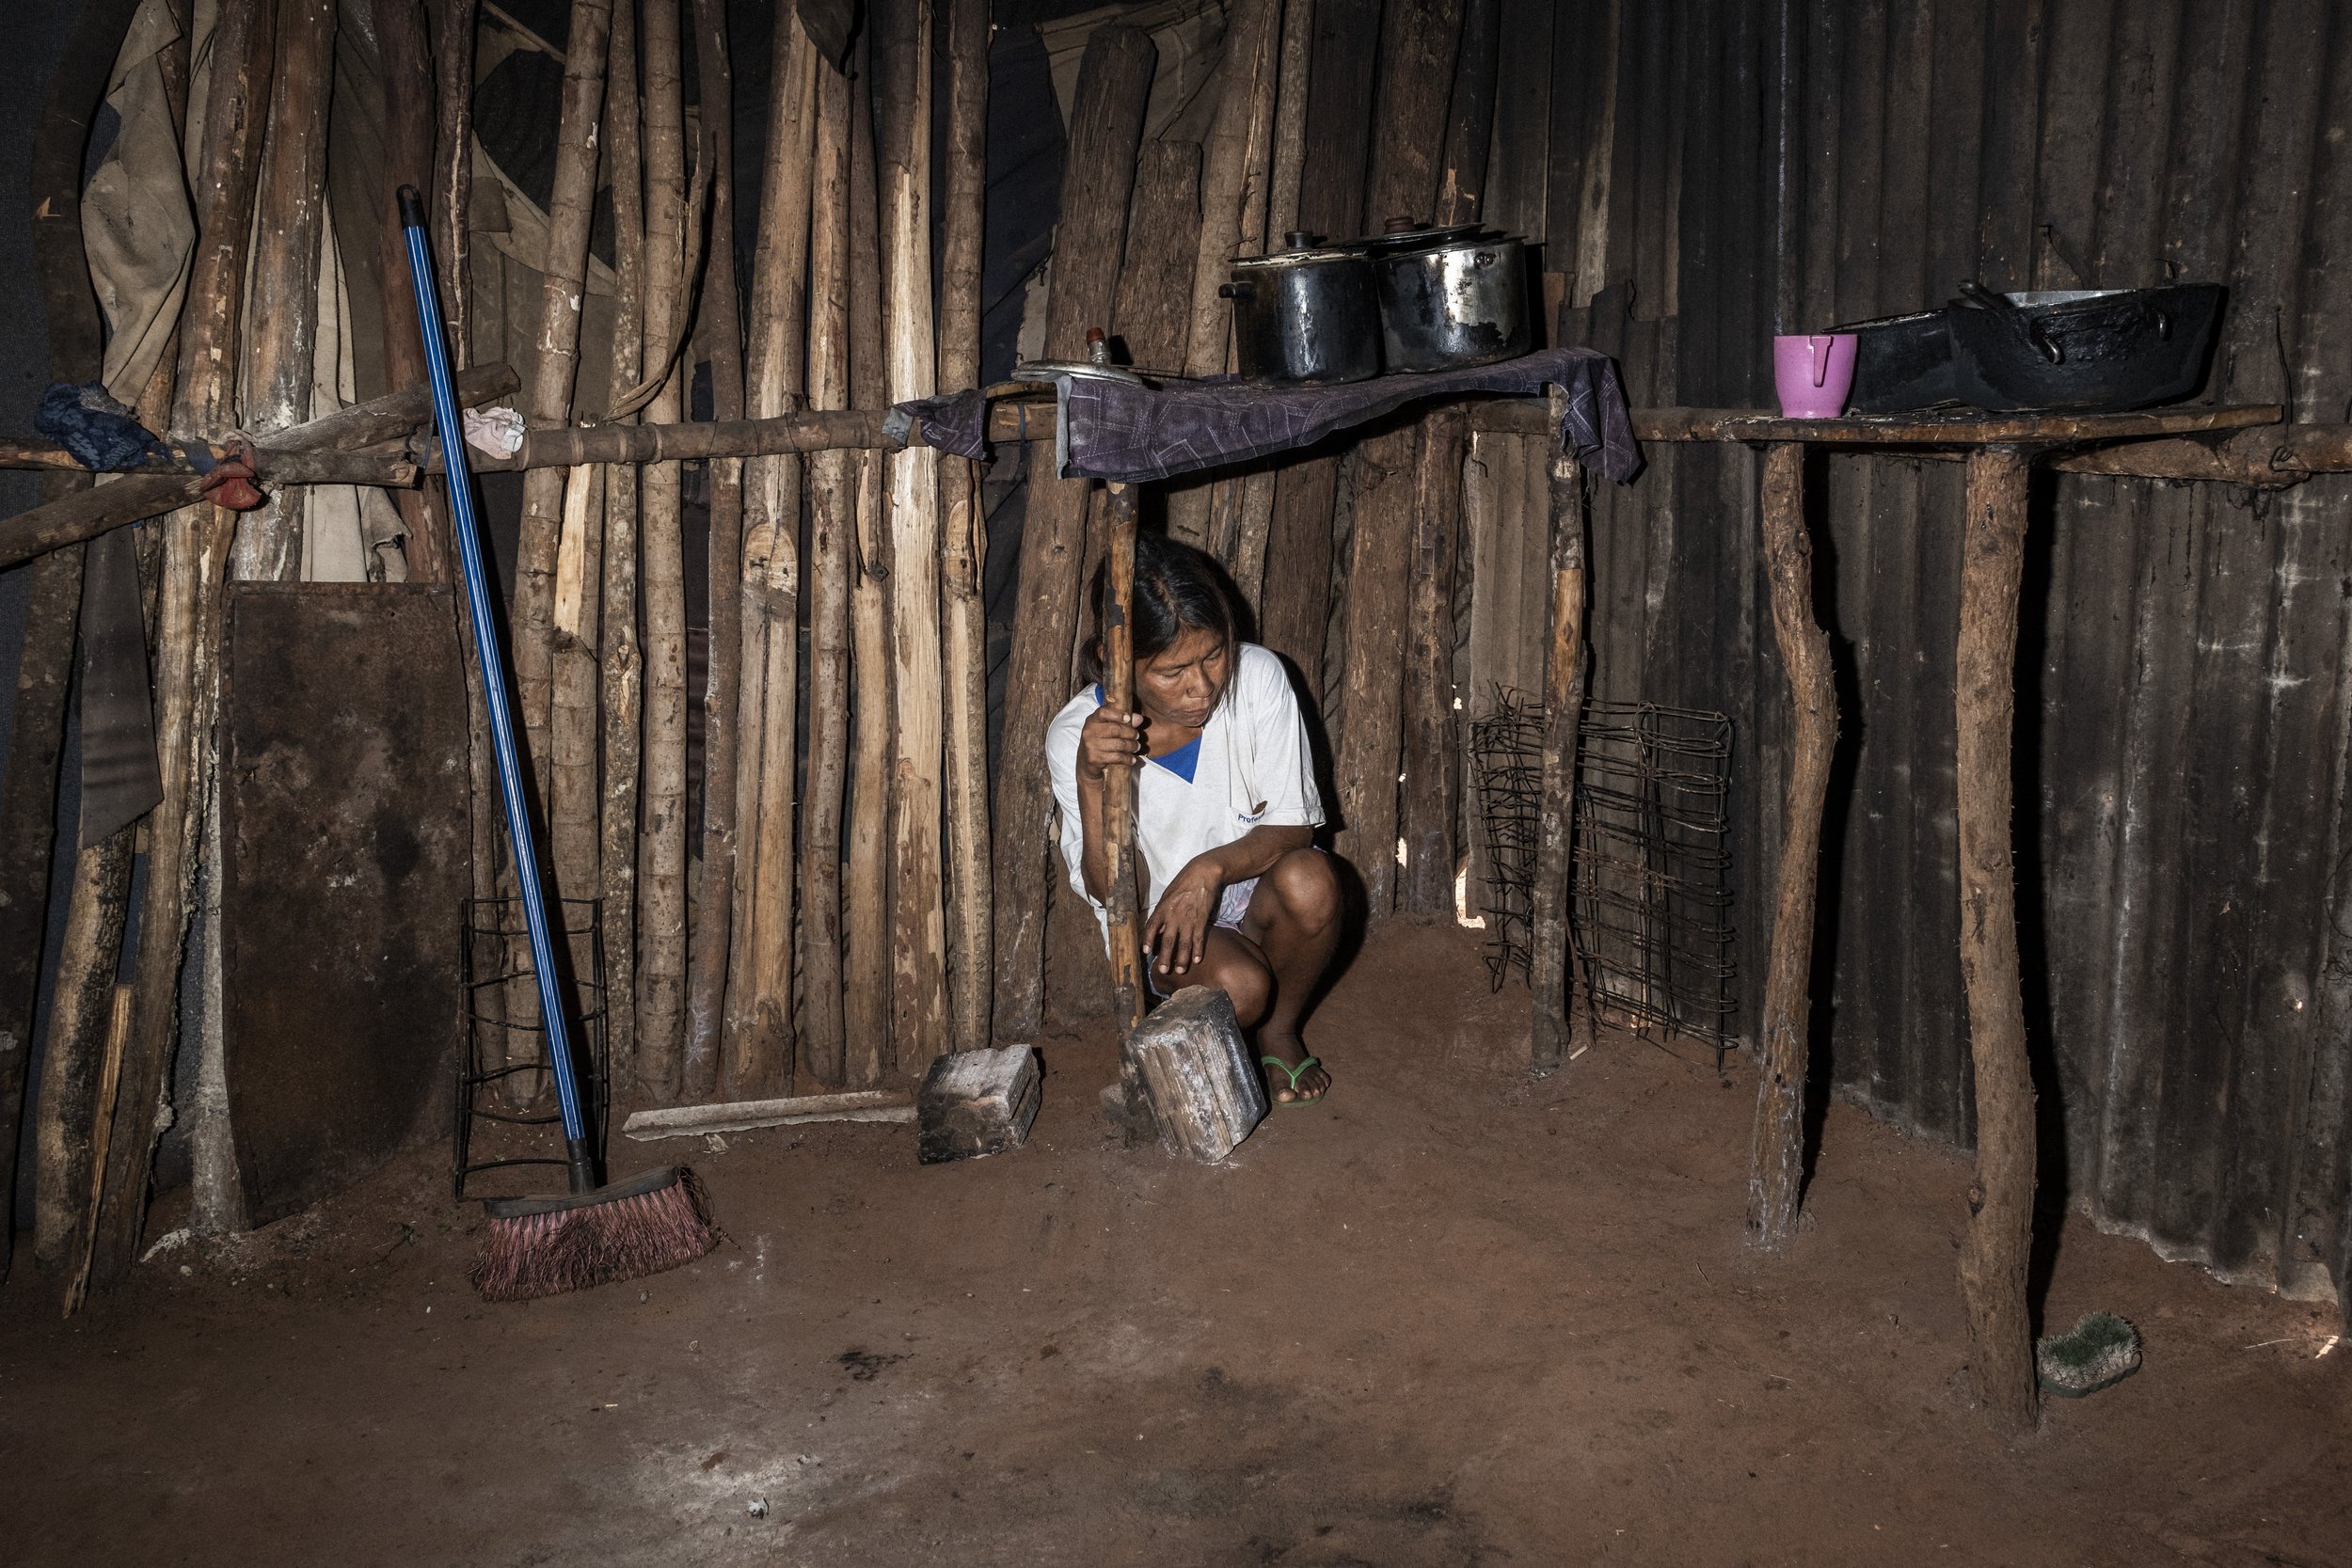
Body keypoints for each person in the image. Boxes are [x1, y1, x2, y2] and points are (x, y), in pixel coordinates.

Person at [1045, 531, 1342, 1103]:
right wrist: (1089, 779)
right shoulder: (1077, 735)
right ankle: (1247, 1016)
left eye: (1212, 655)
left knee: (1312, 880)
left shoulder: (1257, 677)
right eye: (1171, 670)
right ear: (1115, 659)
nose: (1201, 686)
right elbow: (1114, 892)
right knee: (1241, 986)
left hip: (1251, 889)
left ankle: (1279, 1030)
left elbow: (1294, 825)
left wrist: (1207, 871)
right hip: (1164, 925)